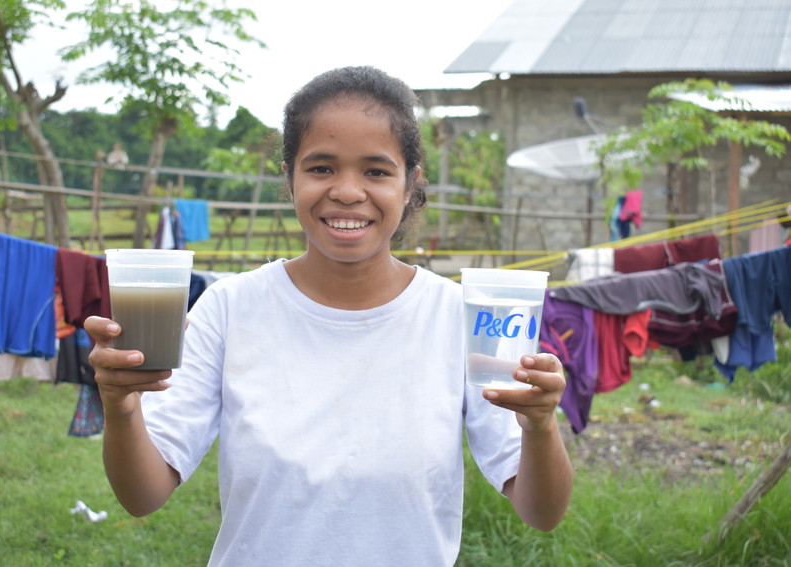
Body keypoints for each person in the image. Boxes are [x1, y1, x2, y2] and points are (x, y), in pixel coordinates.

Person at [85, 66, 573, 566]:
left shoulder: (462, 319)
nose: (346, 191)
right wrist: (121, 406)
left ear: (410, 184)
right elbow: (142, 496)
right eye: (320, 168)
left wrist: (538, 425)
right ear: (289, 177)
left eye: (376, 171)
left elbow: (542, 511)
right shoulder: (230, 310)